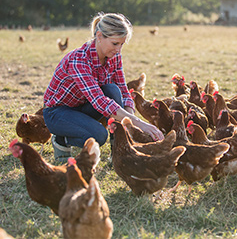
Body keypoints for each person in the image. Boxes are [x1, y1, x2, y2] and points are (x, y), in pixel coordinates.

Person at [43, 12, 164, 162]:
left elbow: (123, 91)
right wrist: (139, 123)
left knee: (113, 90)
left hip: (83, 106)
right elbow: (99, 100)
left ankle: (119, 149)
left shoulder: (114, 56)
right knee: (98, 135)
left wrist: (130, 124)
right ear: (99, 36)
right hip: (58, 113)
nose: (118, 50)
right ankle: (61, 140)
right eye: (115, 43)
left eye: (121, 44)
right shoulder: (79, 60)